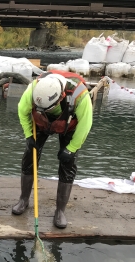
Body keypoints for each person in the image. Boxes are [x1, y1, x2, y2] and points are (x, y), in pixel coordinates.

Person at [12, 71, 92, 229]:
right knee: (30, 156)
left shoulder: (80, 96)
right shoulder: (33, 89)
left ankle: (60, 211)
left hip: (69, 125)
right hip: (40, 123)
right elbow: (22, 110)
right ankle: (23, 200)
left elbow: (85, 124)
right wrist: (29, 136)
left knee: (68, 164)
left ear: (61, 96)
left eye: (48, 109)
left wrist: (71, 149)